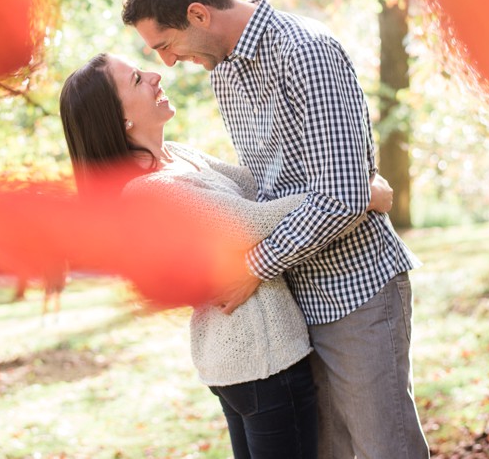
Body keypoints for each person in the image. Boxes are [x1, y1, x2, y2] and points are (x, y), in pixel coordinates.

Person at [121, 0, 428, 458]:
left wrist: (254, 266)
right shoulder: (225, 74)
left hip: (354, 289)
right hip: (293, 303)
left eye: (166, 44)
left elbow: (342, 195)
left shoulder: (305, 52)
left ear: (198, 14)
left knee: (384, 447)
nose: (168, 63)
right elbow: (264, 188)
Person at [59, 53, 393, 458]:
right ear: (119, 119)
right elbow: (251, 221)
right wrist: (353, 194)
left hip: (246, 362)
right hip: (262, 364)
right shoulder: (147, 188)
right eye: (135, 79)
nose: (155, 75)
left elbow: (255, 189)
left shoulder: (178, 158)